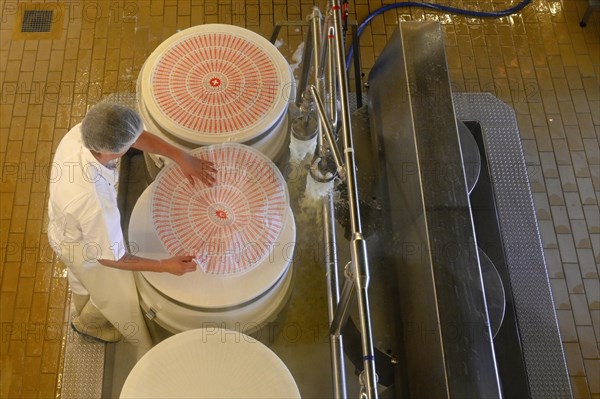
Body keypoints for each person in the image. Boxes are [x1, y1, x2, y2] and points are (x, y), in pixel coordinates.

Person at [47, 103, 216, 353]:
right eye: (129, 145)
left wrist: (181, 156)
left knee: (83, 283)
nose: (135, 143)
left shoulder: (86, 132)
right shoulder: (94, 202)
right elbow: (112, 259)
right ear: (113, 153)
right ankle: (88, 324)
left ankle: (83, 304)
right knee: (119, 297)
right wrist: (164, 266)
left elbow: (133, 137)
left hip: (65, 221)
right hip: (82, 247)